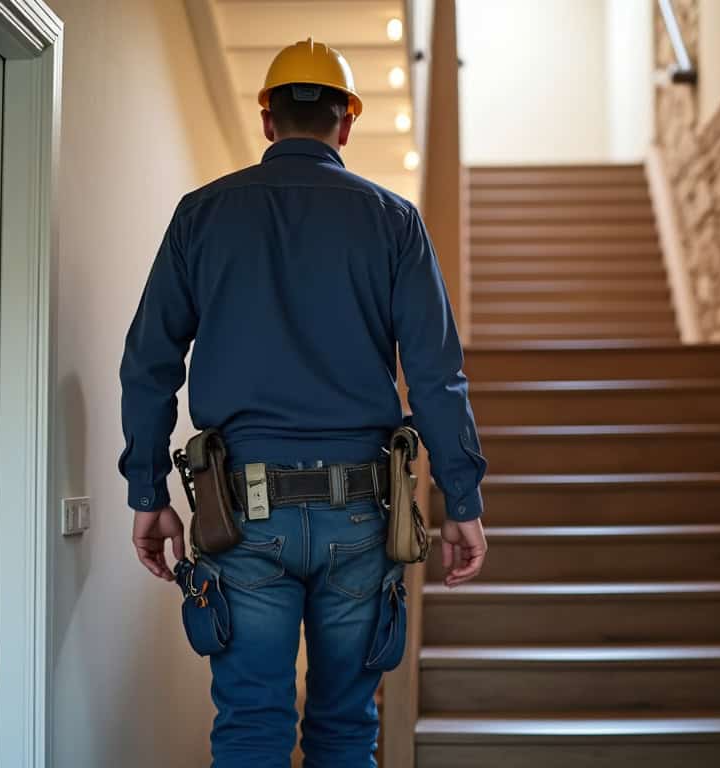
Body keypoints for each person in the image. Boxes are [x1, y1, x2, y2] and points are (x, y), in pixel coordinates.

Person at [117, 38, 488, 767]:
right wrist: (462, 502)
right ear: (345, 124)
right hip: (363, 515)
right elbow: (437, 376)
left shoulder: (201, 215)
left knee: (252, 725)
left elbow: (149, 363)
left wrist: (146, 492)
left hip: (241, 515)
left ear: (267, 120)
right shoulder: (395, 222)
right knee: (345, 728)